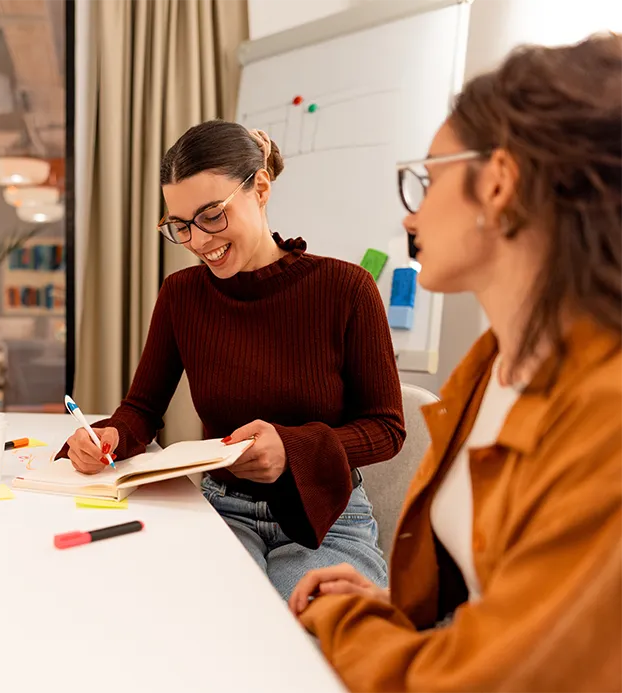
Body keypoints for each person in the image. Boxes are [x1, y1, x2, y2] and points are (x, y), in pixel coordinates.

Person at [290, 33, 622, 692]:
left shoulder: (607, 412)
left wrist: (352, 621)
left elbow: (490, 677)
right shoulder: (490, 362)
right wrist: (398, 607)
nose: (412, 212)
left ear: (498, 182)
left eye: (429, 177)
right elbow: (496, 593)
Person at [58, 120, 405, 600]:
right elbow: (142, 408)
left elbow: (387, 428)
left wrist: (292, 448)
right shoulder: (182, 295)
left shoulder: (347, 289)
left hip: (329, 515)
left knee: (308, 646)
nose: (199, 242)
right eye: (180, 226)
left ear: (259, 189)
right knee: (205, 630)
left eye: (212, 215)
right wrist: (111, 437)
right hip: (222, 508)